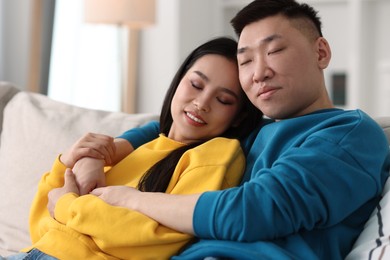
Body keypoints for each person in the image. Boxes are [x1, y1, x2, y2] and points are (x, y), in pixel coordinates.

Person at [73, 0, 390, 259]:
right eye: (246, 61)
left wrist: (132, 200)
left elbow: (252, 212)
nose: (259, 73)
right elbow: (173, 126)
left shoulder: (349, 133)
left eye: (274, 51)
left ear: (320, 52)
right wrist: (103, 151)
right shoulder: (249, 132)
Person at [8, 37, 263, 259]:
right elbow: (41, 223)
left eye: (223, 100)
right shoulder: (143, 145)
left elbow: (154, 238)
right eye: (196, 85)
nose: (201, 102)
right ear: (178, 81)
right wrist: (66, 163)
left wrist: (67, 206)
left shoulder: (218, 153)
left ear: (239, 117)